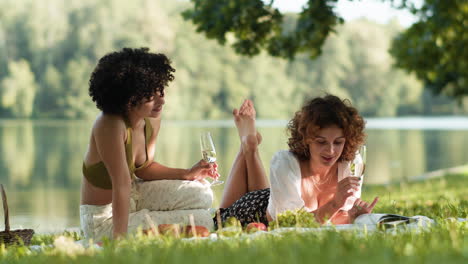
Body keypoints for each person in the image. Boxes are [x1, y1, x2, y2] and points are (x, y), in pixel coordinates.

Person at [80, 48, 219, 240]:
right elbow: (121, 184)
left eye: (161, 90)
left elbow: (144, 170)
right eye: (151, 95)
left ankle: (148, 225)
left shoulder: (150, 119)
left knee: (203, 193)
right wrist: (118, 242)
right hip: (106, 220)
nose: (161, 100)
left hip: (135, 196)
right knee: (203, 221)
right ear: (130, 98)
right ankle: (127, 234)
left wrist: (187, 173)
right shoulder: (110, 124)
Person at [216, 95, 378, 227]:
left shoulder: (352, 165)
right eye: (321, 142)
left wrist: (352, 217)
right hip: (251, 211)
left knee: (270, 196)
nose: (331, 151)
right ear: (306, 138)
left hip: (276, 200)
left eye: (338, 142)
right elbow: (288, 224)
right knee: (220, 218)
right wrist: (335, 203)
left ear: (348, 140)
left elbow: (333, 219)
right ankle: (248, 146)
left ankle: (249, 146)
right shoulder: (285, 162)